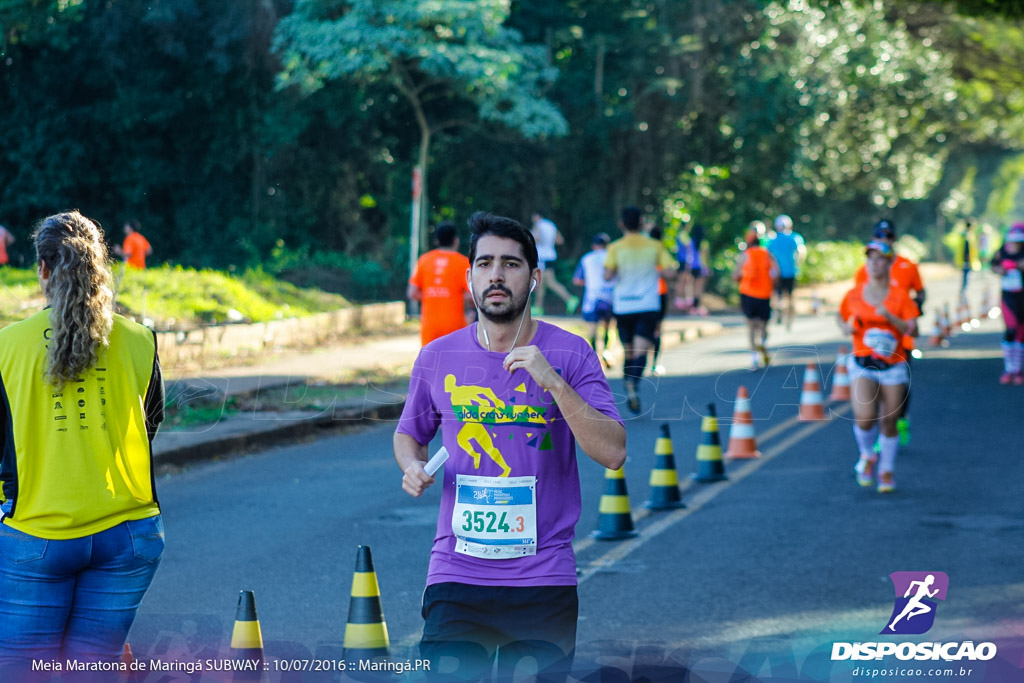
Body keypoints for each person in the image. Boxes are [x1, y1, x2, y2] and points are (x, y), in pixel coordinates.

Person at [394, 211, 626, 682]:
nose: (496, 275)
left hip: (542, 579)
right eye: (484, 264)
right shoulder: (437, 356)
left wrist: (554, 384)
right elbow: (409, 434)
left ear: (535, 277)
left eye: (511, 264)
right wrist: (411, 465)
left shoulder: (571, 353)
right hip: (456, 574)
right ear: (470, 276)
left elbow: (613, 452)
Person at [0, 211, 165, 671]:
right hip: (128, 532)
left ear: (43, 270)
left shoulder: (6, 346)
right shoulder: (140, 339)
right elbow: (148, 424)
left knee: (22, 670)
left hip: (37, 532)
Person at [838, 240, 920, 494]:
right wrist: (846, 328)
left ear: (889, 263)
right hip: (863, 363)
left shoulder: (900, 295)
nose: (875, 264)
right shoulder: (854, 294)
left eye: (880, 259)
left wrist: (889, 317)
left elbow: (912, 328)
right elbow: (840, 317)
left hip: (893, 365)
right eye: (871, 259)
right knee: (864, 418)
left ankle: (886, 470)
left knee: (889, 421)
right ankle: (867, 455)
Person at [853, 219, 925, 446]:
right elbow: (855, 300)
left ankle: (897, 422)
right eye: (879, 236)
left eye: (887, 236)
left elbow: (920, 293)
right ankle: (881, 434)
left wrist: (912, 312)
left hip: (900, 337)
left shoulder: (907, 265)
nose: (883, 239)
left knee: (899, 387)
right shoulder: (864, 270)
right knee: (872, 391)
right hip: (870, 342)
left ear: (893, 239)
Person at [604, 206, 677, 414]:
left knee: (629, 351)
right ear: (642, 223)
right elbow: (670, 272)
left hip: (623, 306)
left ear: (621, 224)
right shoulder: (655, 246)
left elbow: (608, 276)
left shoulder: (615, 248)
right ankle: (632, 385)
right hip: (647, 305)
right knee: (640, 351)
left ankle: (629, 385)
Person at [408, 221, 473, 346]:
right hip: (455, 327)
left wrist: (432, 296)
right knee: (454, 364)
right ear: (456, 240)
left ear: (436, 241)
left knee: (430, 363)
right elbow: (473, 295)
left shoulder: (424, 260)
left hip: (429, 326)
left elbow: (412, 293)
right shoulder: (463, 263)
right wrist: (455, 297)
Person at [733, 222, 777, 371]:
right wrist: (771, 283)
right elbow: (776, 272)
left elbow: (735, 275)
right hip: (764, 294)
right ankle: (763, 343)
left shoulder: (745, 255)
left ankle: (754, 358)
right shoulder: (767, 254)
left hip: (748, 293)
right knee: (763, 325)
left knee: (751, 325)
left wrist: (740, 278)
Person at [572, 232, 615, 366]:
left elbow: (577, 280)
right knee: (608, 326)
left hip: (592, 298)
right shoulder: (612, 257)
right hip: (610, 297)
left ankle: (596, 356)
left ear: (593, 245)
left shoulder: (587, 258)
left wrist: (590, 281)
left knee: (592, 329)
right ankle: (607, 351)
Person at [989, 223, 1024, 384]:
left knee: (1020, 333)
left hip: (1022, 297)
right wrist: (1000, 270)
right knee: (1010, 329)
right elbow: (993, 266)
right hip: (1008, 296)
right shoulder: (1001, 251)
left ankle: (1017, 370)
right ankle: (1008, 369)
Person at [530, 211, 579, 316]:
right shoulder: (552, 225)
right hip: (551, 255)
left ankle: (569, 298)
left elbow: (537, 239)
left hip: (542, 257)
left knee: (544, 282)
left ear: (537, 216)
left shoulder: (538, 225)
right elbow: (560, 240)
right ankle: (538, 307)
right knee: (544, 282)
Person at [767, 214, 805, 330]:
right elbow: (801, 253)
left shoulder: (773, 240)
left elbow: (769, 256)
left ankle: (779, 314)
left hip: (777, 273)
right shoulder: (795, 238)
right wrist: (797, 264)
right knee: (790, 296)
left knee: (777, 296)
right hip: (791, 272)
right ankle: (789, 320)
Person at [673, 223, 711, 315]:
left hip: (692, 266)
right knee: (698, 289)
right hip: (701, 267)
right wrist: (708, 268)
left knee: (691, 288)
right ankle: (695, 307)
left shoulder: (691, 242)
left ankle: (690, 308)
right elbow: (706, 257)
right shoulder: (704, 243)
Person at [944, 219, 981, 295]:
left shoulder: (968, 234)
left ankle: (964, 289)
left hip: (967, 259)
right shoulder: (966, 235)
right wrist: (966, 258)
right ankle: (964, 289)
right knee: (965, 275)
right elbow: (966, 248)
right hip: (966, 259)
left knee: (966, 274)